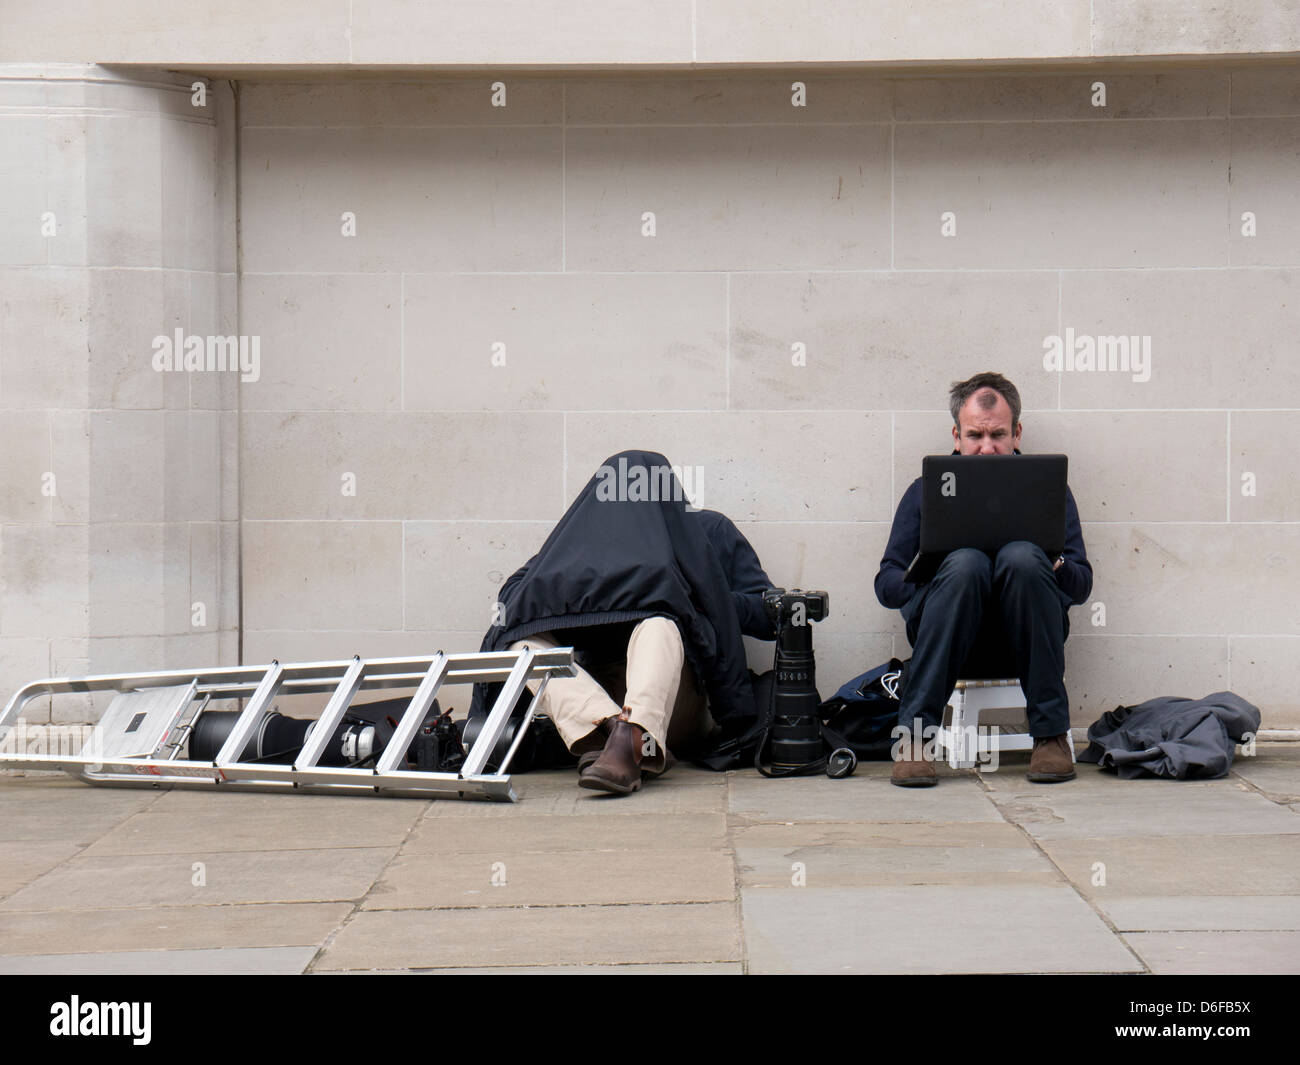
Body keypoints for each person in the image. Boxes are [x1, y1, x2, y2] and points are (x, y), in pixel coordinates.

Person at [468, 450, 775, 795]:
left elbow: (768, 618)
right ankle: (616, 734)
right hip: (600, 691)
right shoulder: (589, 538)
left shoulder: (708, 531)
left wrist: (698, 595)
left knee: (659, 622)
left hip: (677, 700)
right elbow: (516, 600)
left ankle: (628, 736)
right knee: (523, 643)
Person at [874, 372, 1092, 787]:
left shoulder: (1050, 493)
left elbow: (1081, 586)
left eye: (998, 435)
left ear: (1017, 434)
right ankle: (916, 740)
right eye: (975, 435)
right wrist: (934, 572)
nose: (987, 447)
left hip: (1027, 644)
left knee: (1022, 558)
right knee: (968, 563)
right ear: (956, 435)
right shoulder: (926, 492)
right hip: (948, 642)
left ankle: (1050, 739)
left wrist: (1052, 563)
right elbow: (886, 585)